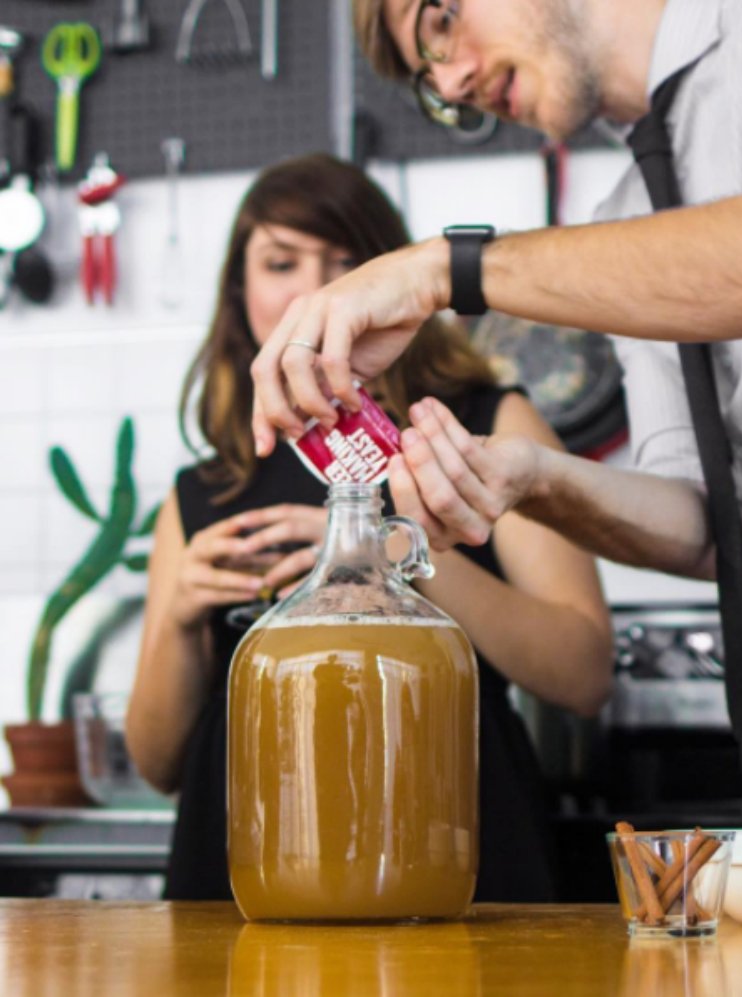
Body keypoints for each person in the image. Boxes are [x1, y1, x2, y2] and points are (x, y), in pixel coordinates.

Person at [248, 0, 742, 903]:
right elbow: (702, 527)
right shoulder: (634, 214)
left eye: (440, 20)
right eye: (427, 77)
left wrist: (444, 268)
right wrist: (530, 479)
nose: (450, 81)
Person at [125, 153, 613, 902]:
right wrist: (180, 618)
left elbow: (582, 673)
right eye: (281, 262)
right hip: (246, 868)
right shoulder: (205, 492)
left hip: (451, 843)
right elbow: (158, 764)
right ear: (239, 292)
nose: (315, 289)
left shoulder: (484, 427)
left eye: (348, 261)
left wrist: (378, 556)